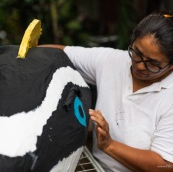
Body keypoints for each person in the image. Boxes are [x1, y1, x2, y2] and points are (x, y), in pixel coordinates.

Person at [39, 11, 173, 172]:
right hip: (97, 167)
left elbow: (165, 165)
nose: (139, 66)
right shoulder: (112, 61)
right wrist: (17, 53)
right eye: (137, 53)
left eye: (152, 63)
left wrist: (109, 145)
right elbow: (60, 54)